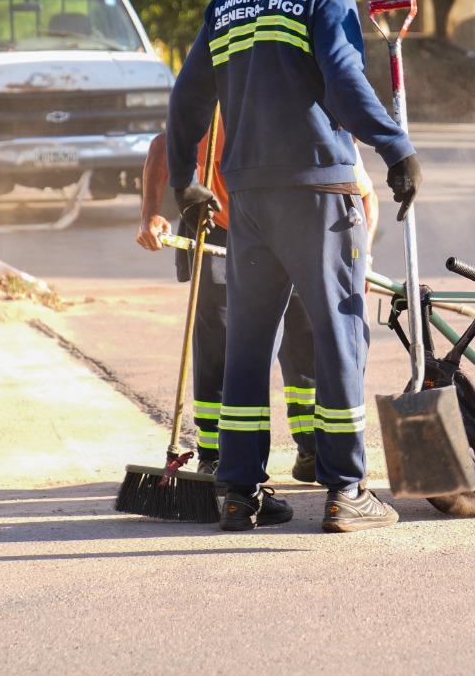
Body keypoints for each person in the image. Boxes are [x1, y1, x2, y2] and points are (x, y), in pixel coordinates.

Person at [166, 0, 421, 534]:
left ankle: (239, 493)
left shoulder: (227, 2)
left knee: (251, 341)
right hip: (319, 192)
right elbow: (344, 81)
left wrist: (186, 184)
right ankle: (345, 492)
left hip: (246, 198)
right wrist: (396, 148)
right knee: (339, 331)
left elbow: (186, 101)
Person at [137, 121, 378, 480]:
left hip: (300, 230)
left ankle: (312, 445)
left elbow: (363, 198)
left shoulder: (320, 133)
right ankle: (217, 451)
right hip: (224, 228)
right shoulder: (225, 118)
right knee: (222, 336)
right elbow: (164, 146)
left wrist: (363, 255)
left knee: (306, 332)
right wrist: (150, 214)